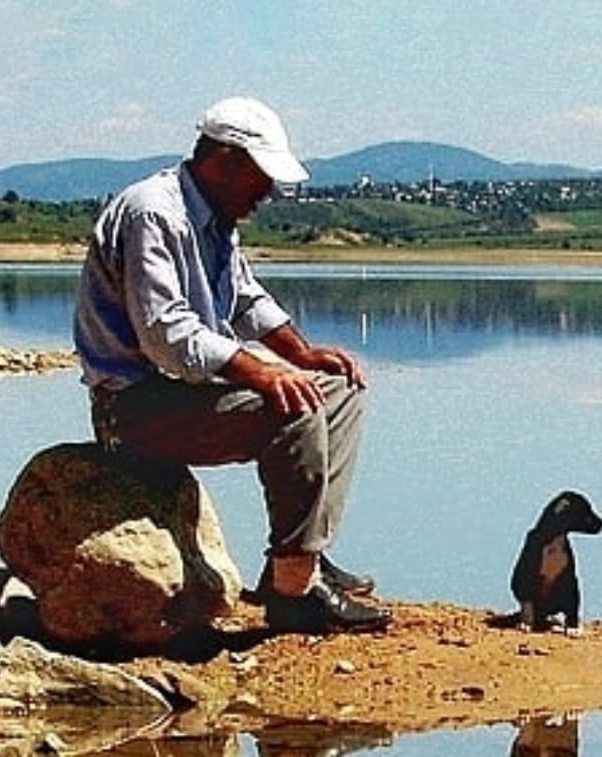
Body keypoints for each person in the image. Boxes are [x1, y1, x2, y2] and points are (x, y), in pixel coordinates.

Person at [74, 96, 390, 635]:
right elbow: (167, 336)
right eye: (261, 176)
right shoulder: (154, 212)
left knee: (337, 390)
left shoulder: (215, 217)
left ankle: (297, 557)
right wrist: (261, 372)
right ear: (225, 160)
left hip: (180, 398)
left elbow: (243, 298)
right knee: (293, 408)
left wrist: (302, 355)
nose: (266, 192)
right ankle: (294, 594)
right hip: (134, 410)